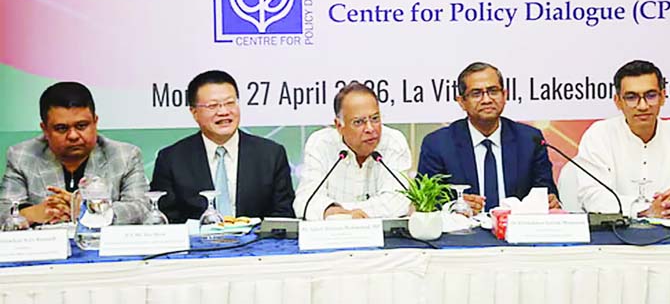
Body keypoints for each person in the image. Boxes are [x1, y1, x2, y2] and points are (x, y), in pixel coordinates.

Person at [575, 60, 670, 218]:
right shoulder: (599, 135)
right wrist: (646, 209)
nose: (643, 106)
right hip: (618, 229)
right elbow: (592, 196)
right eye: (631, 97)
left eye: (651, 96)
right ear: (618, 102)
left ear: (663, 97)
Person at [150, 70, 295, 222]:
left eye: (230, 103)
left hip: (255, 237)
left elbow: (283, 214)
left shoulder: (271, 154)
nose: (224, 112)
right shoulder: (172, 159)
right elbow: (168, 220)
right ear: (194, 112)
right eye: (213, 106)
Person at [418, 62, 558, 214]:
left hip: (515, 227)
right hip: (463, 228)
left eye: (493, 91)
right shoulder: (438, 144)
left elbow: (546, 192)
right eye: (476, 94)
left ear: (505, 95)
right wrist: (453, 207)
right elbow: (426, 201)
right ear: (462, 102)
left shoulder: (529, 140)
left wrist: (549, 201)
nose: (486, 100)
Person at [0, 82, 148, 225]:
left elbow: (141, 207)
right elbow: (4, 209)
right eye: (61, 128)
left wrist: (89, 209)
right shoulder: (22, 156)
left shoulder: (124, 156)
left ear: (95, 122)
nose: (73, 136)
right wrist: (32, 214)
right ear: (45, 129)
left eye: (81, 126)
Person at [294, 81, 412, 220]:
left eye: (375, 119)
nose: (370, 128)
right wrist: (343, 213)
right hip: (333, 232)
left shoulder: (393, 141)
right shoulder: (320, 144)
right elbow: (305, 201)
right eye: (358, 122)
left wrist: (339, 213)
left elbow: (398, 201)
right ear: (339, 126)